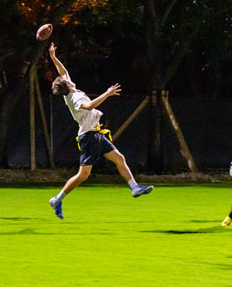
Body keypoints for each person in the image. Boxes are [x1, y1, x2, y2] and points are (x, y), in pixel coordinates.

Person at [47, 42, 153, 220]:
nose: (67, 77)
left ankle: (134, 188)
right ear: (68, 85)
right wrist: (107, 93)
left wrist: (53, 56)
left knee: (119, 158)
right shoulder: (74, 97)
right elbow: (89, 105)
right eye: (66, 79)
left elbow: (62, 71)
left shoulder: (70, 89)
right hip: (88, 137)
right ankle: (57, 199)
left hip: (95, 134)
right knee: (83, 175)